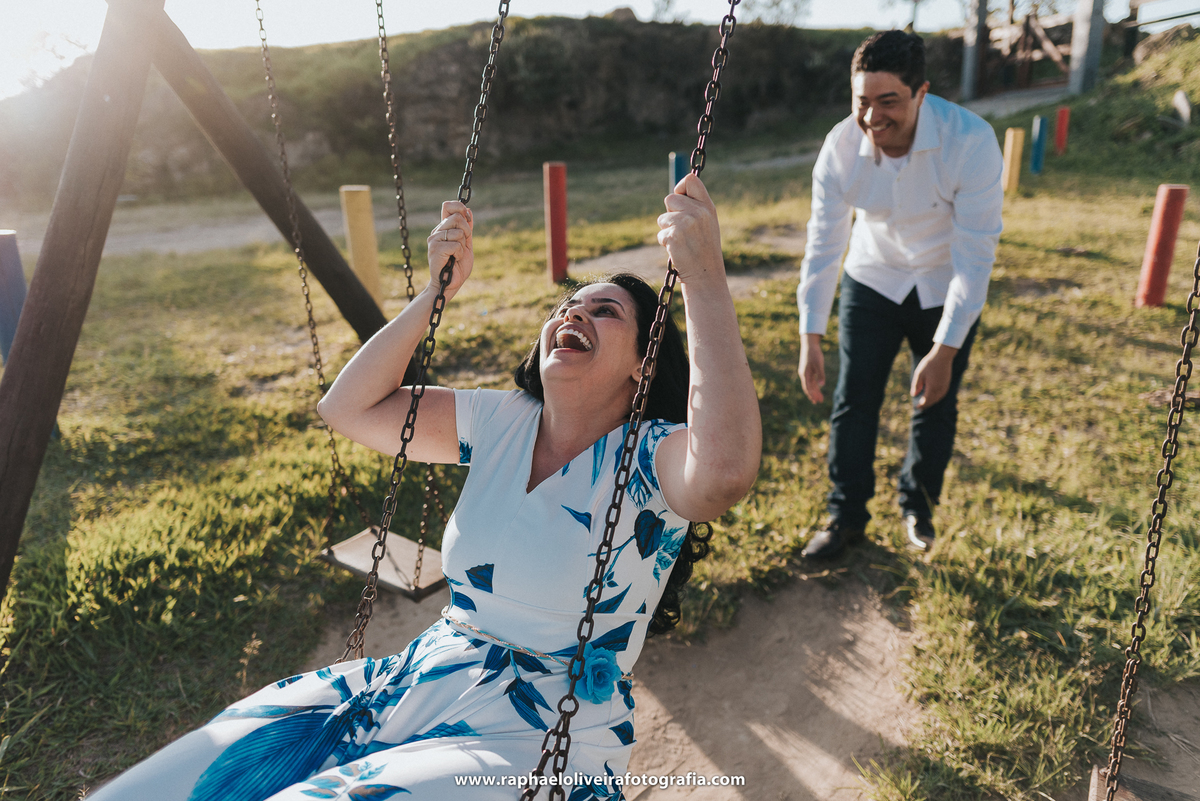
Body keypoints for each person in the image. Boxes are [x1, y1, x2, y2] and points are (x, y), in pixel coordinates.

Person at [88, 173, 761, 800]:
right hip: (418, 680)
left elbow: (725, 472)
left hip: (540, 734)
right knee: (175, 780)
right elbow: (347, 408)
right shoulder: (502, 420)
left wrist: (703, 279)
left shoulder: (655, 456)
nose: (573, 315)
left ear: (643, 365)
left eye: (604, 311)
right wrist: (434, 294)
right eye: (565, 306)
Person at [796, 30, 1003, 559]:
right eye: (862, 101)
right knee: (854, 399)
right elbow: (824, 244)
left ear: (921, 93)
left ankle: (919, 508)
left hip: (944, 283)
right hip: (873, 278)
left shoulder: (971, 142)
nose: (871, 117)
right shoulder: (840, 148)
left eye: (888, 102)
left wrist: (945, 350)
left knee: (936, 400)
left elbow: (976, 257)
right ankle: (845, 516)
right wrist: (810, 335)